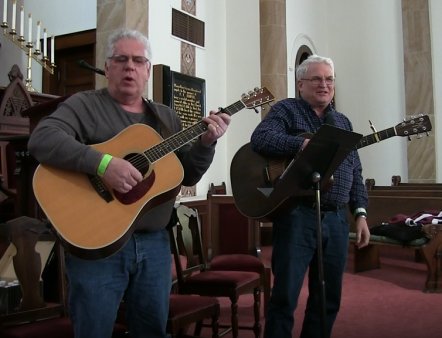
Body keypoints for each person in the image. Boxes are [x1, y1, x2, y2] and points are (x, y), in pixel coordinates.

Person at [28, 28, 230, 338]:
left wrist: (206, 143)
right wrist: (104, 164)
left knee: (151, 330)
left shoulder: (164, 118)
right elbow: (42, 139)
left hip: (154, 243)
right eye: (120, 59)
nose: (129, 67)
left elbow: (186, 174)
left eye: (138, 60)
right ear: (107, 67)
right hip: (96, 244)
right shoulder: (84, 105)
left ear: (148, 70)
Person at [250, 54, 370, 338]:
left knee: (328, 299)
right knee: (285, 297)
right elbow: (260, 138)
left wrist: (361, 213)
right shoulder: (287, 111)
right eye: (316, 79)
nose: (324, 85)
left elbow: (355, 170)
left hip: (336, 220)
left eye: (329, 79)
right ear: (300, 83)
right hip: (297, 215)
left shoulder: (342, 121)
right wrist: (299, 144)